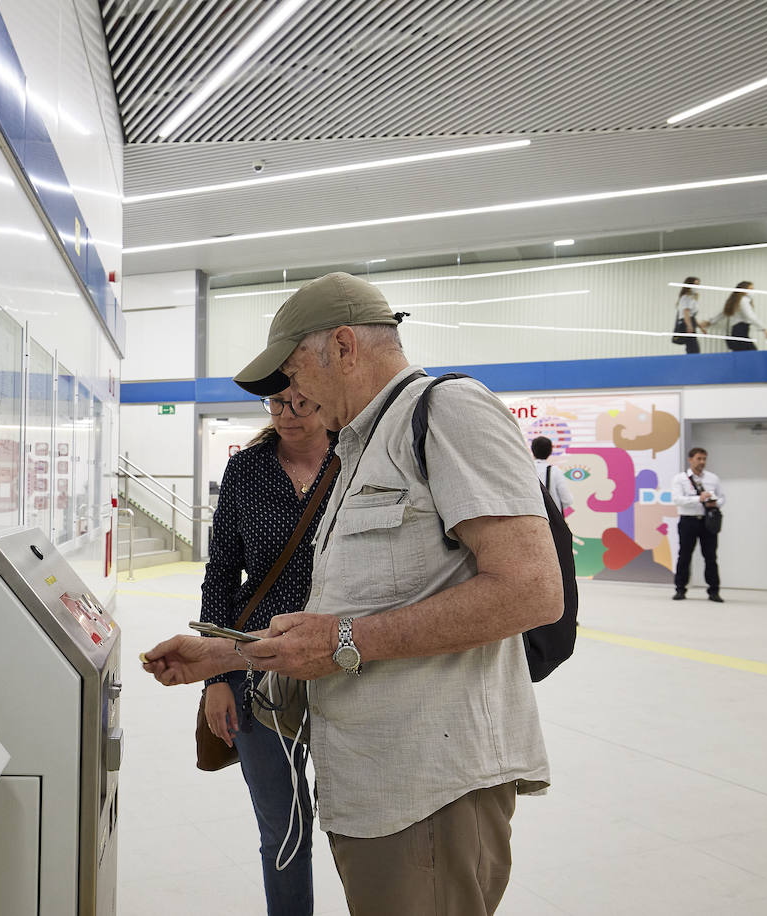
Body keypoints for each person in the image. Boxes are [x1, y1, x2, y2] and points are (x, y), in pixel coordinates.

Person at [141, 272, 563, 915]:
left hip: (430, 787)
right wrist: (229, 658)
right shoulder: (362, 447)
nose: (290, 393)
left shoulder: (447, 411)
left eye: (292, 372)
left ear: (342, 347)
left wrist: (347, 641)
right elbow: (354, 608)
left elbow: (531, 590)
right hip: (374, 783)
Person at [200, 387, 335, 915]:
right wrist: (214, 675)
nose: (287, 415)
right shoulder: (247, 470)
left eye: (302, 401)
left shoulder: (356, 462)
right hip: (254, 667)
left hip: (344, 663)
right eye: (276, 404)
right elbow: (220, 574)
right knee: (283, 825)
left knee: (362, 819)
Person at [672, 446, 727, 601]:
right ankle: (680, 589)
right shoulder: (680, 479)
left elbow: (723, 498)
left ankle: (714, 591)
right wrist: (699, 499)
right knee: (684, 556)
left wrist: (715, 503)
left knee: (710, 557)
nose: (702, 462)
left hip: (707, 521)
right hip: (688, 520)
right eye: (699, 459)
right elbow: (677, 499)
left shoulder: (713, 478)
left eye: (704, 459)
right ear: (690, 460)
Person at [707, 281, 767, 351]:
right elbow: (750, 316)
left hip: (737, 331)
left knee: (741, 355)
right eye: (750, 289)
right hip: (741, 331)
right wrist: (764, 328)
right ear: (743, 290)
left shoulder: (737, 301)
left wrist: (710, 322)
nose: (753, 291)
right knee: (752, 354)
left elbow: (722, 314)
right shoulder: (743, 300)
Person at [531, 435, 573, 516]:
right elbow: (567, 499)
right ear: (550, 451)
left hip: (533, 519)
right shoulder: (555, 471)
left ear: (532, 450)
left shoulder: (527, 470)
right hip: (552, 521)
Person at [674, 277, 708, 354]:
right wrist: (689, 326)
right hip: (687, 323)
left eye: (698, 285)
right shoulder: (686, 297)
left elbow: (692, 315)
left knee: (691, 347)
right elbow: (686, 312)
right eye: (695, 284)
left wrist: (701, 327)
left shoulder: (692, 298)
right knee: (693, 348)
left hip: (690, 322)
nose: (697, 287)